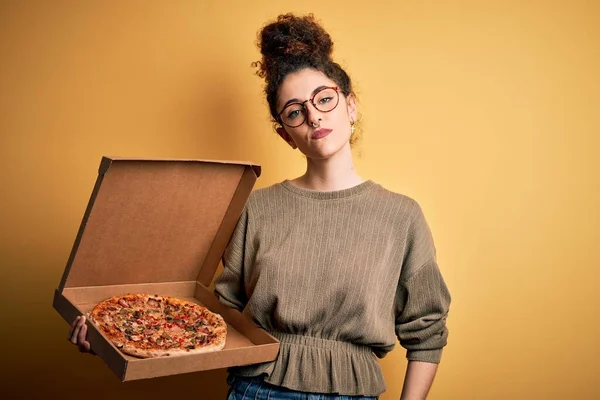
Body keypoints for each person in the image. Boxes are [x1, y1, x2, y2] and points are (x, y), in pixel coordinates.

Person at [68, 13, 451, 400]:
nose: (314, 115)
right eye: (295, 111)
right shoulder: (258, 208)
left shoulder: (401, 216)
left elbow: (428, 332)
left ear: (350, 106)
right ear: (286, 135)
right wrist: (111, 336)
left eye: (324, 98)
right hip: (258, 389)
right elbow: (219, 314)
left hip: (353, 392)